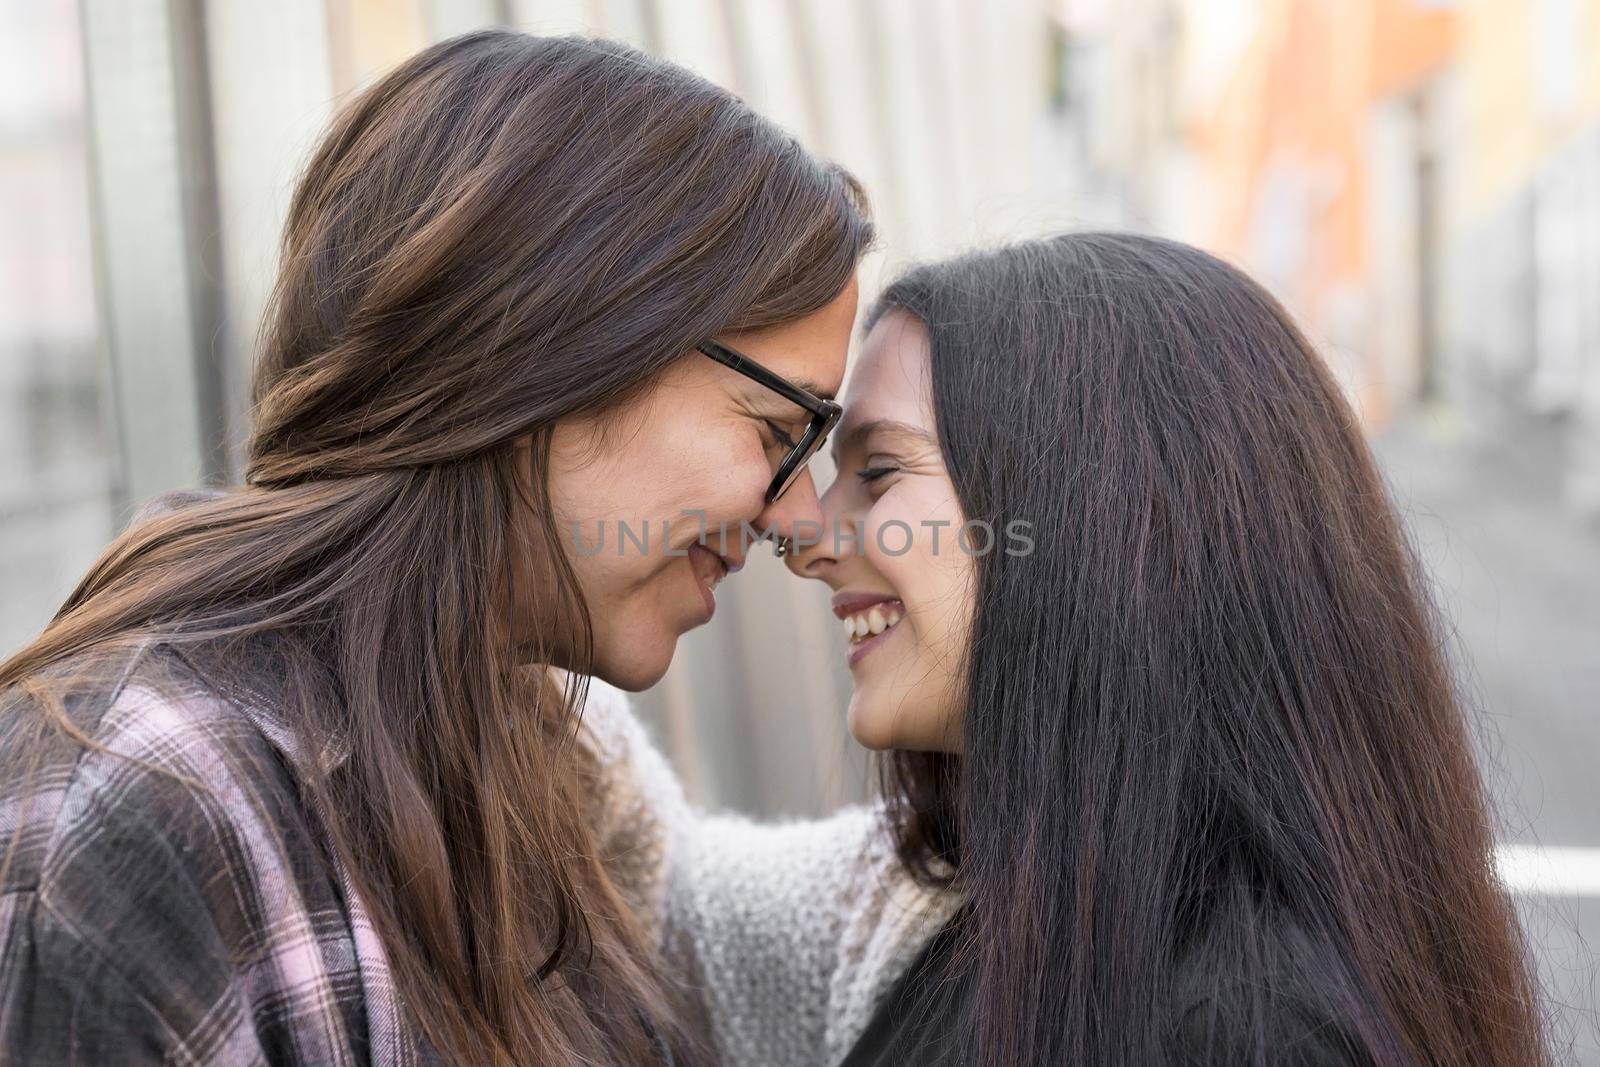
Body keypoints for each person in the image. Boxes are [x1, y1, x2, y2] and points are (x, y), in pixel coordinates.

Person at [0, 30, 870, 1066]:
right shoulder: (146, 806)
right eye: (777, 432)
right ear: (560, 341)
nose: (797, 518)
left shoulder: (517, 753)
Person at [583, 232, 1549, 1066]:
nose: (801, 536)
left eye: (878, 471)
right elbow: (663, 888)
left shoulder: (1248, 1031)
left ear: (1098, 523)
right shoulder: (997, 904)